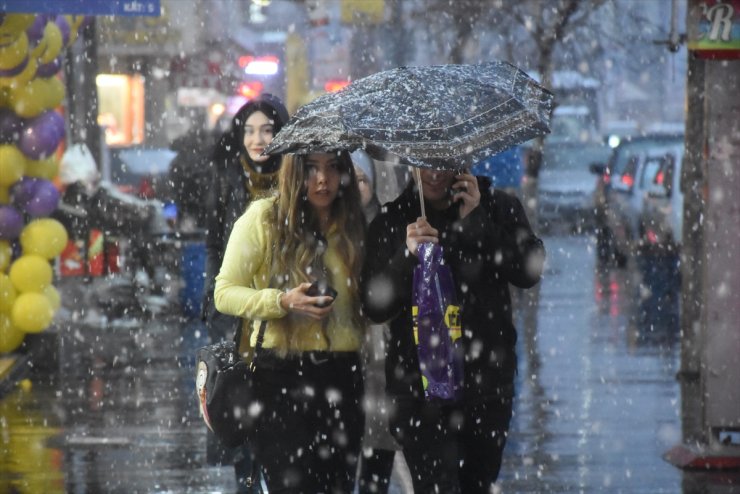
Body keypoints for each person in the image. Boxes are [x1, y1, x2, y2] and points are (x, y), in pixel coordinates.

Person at [361, 165, 545, 493]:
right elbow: (373, 306)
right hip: (419, 395)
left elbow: (529, 271)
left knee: (477, 485)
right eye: (425, 162)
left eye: (443, 162)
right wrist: (407, 256)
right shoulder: (394, 220)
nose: (434, 173)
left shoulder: (498, 207)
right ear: (411, 163)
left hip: (485, 389)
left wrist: (478, 223)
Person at [214, 150, 367, 494]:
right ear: (295, 173)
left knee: (339, 487)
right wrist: (280, 301)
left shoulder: (353, 222)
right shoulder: (264, 217)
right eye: (311, 169)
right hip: (281, 376)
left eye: (332, 167)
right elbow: (223, 293)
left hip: (343, 376)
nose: (322, 180)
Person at [201, 94, 289, 492]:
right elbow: (213, 246)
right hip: (234, 314)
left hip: (281, 314)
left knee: (279, 423)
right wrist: (213, 298)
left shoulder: (293, 178)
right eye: (249, 130)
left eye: (267, 130)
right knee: (236, 412)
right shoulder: (225, 178)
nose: (257, 139)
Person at [352, 150, 400, 494]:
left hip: (379, 351)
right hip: (343, 349)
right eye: (349, 177)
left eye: (362, 178)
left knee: (378, 446)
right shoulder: (329, 225)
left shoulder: (386, 225)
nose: (355, 186)